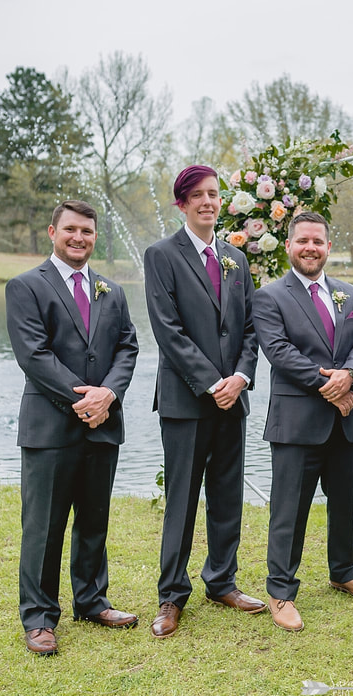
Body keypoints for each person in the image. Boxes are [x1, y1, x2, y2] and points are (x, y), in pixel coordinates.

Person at [5, 200, 140, 655]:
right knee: (43, 526)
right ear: (52, 232)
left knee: (94, 520)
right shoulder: (26, 287)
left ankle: (93, 600)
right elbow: (34, 355)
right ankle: (40, 618)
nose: (79, 238)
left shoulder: (111, 291)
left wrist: (110, 394)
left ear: (95, 236)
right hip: (51, 426)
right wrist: (86, 399)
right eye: (70, 230)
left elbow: (128, 347)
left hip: (104, 422)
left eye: (87, 231)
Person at [143, 165, 264, 639]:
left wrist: (240, 377)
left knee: (227, 494)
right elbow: (167, 330)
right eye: (198, 195)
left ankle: (222, 581)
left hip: (233, 399)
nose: (208, 202)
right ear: (182, 204)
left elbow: (251, 329)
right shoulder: (161, 256)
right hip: (187, 400)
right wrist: (212, 382)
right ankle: (172, 595)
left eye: (214, 194)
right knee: (182, 499)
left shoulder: (236, 258)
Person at [252, 211, 353, 632]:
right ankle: (281, 590)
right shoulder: (269, 297)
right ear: (288, 246)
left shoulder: (351, 295)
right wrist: (333, 387)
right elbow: (279, 352)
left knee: (346, 500)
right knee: (289, 509)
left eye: (318, 242)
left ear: (328, 247)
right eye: (302, 241)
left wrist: (351, 376)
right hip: (297, 420)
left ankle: (345, 571)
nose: (310, 248)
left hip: (349, 420)